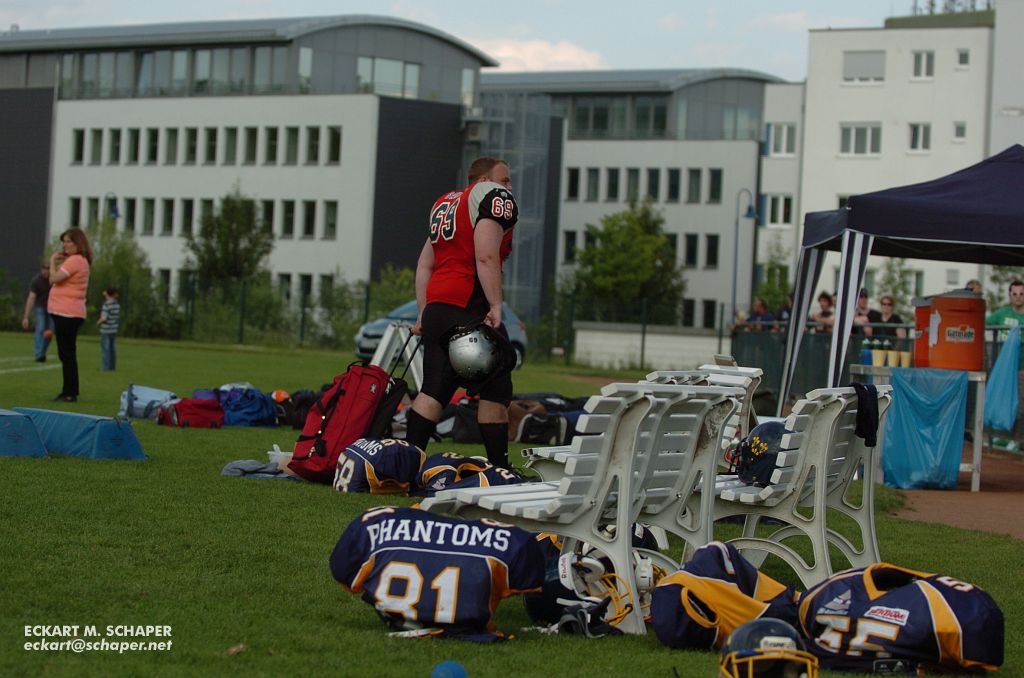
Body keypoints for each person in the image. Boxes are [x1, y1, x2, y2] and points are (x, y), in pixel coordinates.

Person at [405, 157, 519, 469]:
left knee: (433, 390)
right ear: (483, 182)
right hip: (469, 309)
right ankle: (500, 470)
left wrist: (423, 311)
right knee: (497, 387)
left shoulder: (449, 204)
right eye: (504, 180)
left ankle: (406, 469)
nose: (509, 187)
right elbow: (485, 256)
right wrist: (496, 305)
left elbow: (425, 264)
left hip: (439, 310)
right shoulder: (489, 199)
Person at [48, 228, 92, 402]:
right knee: (68, 353)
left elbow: (53, 279)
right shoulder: (80, 260)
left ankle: (69, 392)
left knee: (66, 354)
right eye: (64, 242)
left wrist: (52, 260)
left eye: (68, 241)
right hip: (70, 312)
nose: (65, 245)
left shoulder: (75, 260)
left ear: (77, 243)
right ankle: (70, 390)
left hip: (67, 312)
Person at [21, 262, 54, 362]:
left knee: (50, 332)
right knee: (40, 328)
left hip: (52, 308)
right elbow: (31, 298)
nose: (46, 271)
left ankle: (42, 352)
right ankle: (38, 354)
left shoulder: (54, 280)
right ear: (41, 269)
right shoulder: (36, 281)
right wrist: (26, 317)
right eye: (44, 269)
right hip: (40, 308)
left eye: (48, 269)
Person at [97, 286, 120, 371]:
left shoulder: (106, 304)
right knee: (112, 349)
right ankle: (112, 366)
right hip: (113, 329)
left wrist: (98, 322)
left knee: (105, 349)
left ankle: (105, 367)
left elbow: (104, 318)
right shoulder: (116, 304)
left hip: (106, 329)